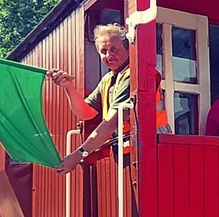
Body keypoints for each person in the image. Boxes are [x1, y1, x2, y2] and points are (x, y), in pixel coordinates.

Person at [47, 23, 170, 175]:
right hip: (131, 152)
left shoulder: (134, 75)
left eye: (114, 49)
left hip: (153, 150)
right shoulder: (108, 79)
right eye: (103, 51)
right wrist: (69, 87)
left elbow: (112, 122)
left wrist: (78, 155)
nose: (108, 55)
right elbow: (85, 113)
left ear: (127, 48)